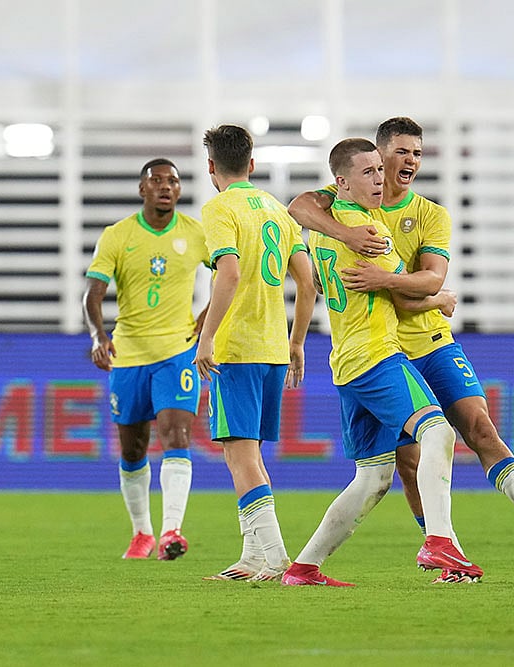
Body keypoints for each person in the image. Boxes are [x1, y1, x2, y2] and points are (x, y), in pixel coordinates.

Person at [289, 117, 514, 545]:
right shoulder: (346, 200)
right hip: (382, 347)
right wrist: (346, 234)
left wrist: (396, 284)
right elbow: (297, 207)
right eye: (401, 152)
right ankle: (441, 544)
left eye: (417, 153)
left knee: (478, 427)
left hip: (429, 340)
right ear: (378, 156)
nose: (410, 161)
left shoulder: (430, 215)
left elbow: (432, 281)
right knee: (406, 463)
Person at [281, 137, 478, 586]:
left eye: (379, 169)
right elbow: (407, 299)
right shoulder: (370, 231)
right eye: (368, 172)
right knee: (438, 430)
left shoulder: (328, 226)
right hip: (376, 355)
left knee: (373, 477)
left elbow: (302, 209)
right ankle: (439, 541)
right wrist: (441, 300)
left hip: (346, 360)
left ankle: (304, 567)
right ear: (343, 182)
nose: (380, 178)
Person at [194, 124, 316, 582]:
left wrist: (206, 338)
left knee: (240, 455)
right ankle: (252, 558)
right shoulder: (279, 212)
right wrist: (298, 341)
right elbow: (307, 283)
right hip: (272, 348)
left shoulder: (219, 209)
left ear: (211, 168)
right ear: (252, 164)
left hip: (236, 349)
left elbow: (228, 273)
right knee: (249, 453)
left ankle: (277, 557)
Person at [84, 158, 208, 561]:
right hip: (129, 353)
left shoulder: (195, 233)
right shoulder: (117, 236)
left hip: (177, 353)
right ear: (142, 189)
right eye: (156, 181)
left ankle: (173, 530)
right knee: (133, 449)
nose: (166, 187)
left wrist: (208, 317)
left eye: (173, 181)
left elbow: (231, 273)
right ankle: (143, 533)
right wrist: (98, 335)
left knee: (177, 436)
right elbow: (92, 295)